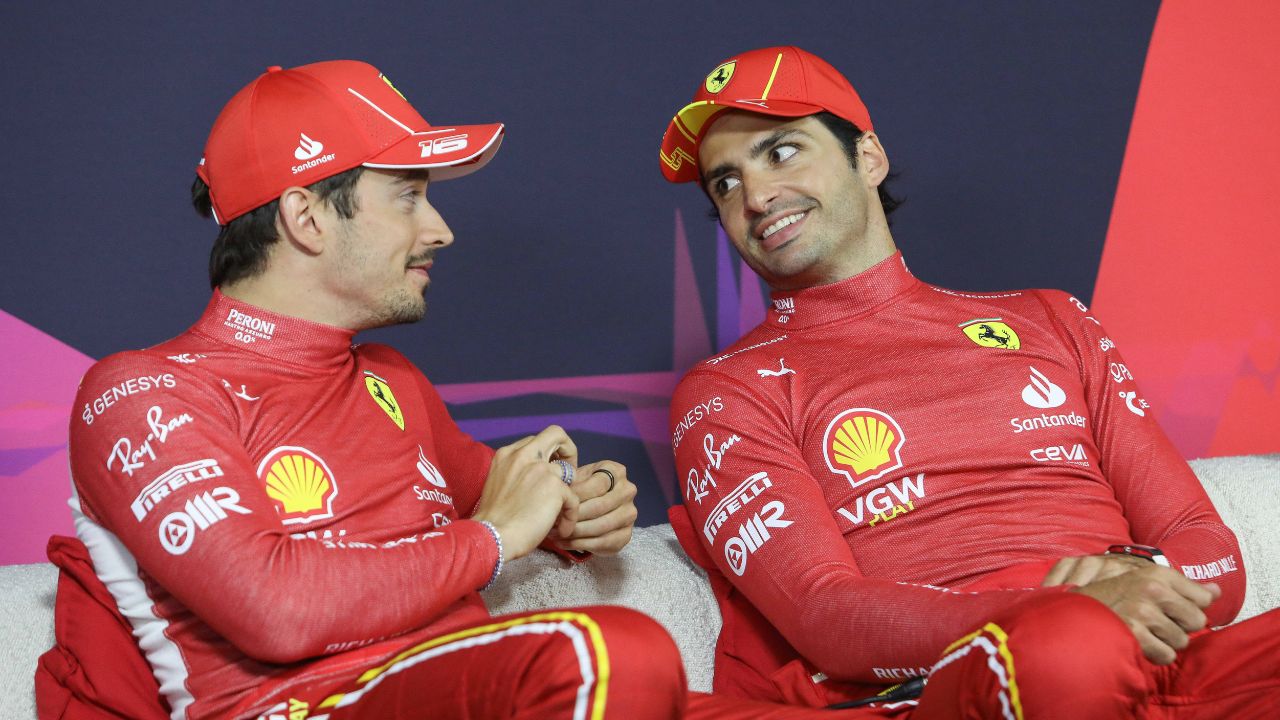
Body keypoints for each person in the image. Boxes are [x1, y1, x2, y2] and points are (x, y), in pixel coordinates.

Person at [38, 59, 866, 720]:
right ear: (306, 217)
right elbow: (276, 611)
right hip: (304, 707)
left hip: (471, 690)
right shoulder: (139, 392)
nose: (440, 230)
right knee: (608, 652)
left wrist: (576, 509)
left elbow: (520, 503)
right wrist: (497, 535)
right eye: (409, 196)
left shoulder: (391, 381)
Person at [658, 45, 1280, 718]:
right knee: (1072, 650)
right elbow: (829, 618)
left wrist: (1142, 581)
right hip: (974, 674)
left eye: (782, 152)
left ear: (868, 156)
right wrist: (1065, 606)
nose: (755, 197)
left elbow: (1208, 548)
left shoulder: (1052, 318)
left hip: (1159, 658)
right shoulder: (727, 391)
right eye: (726, 184)